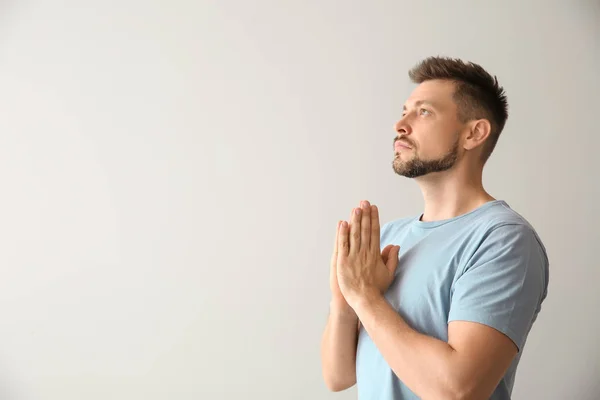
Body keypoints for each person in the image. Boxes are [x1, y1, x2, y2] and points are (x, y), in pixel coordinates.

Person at [320, 56, 549, 400]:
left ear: (474, 133)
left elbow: (458, 390)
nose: (400, 124)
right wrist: (345, 298)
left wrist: (366, 297)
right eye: (404, 110)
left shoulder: (503, 240)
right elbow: (338, 376)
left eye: (423, 112)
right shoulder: (388, 238)